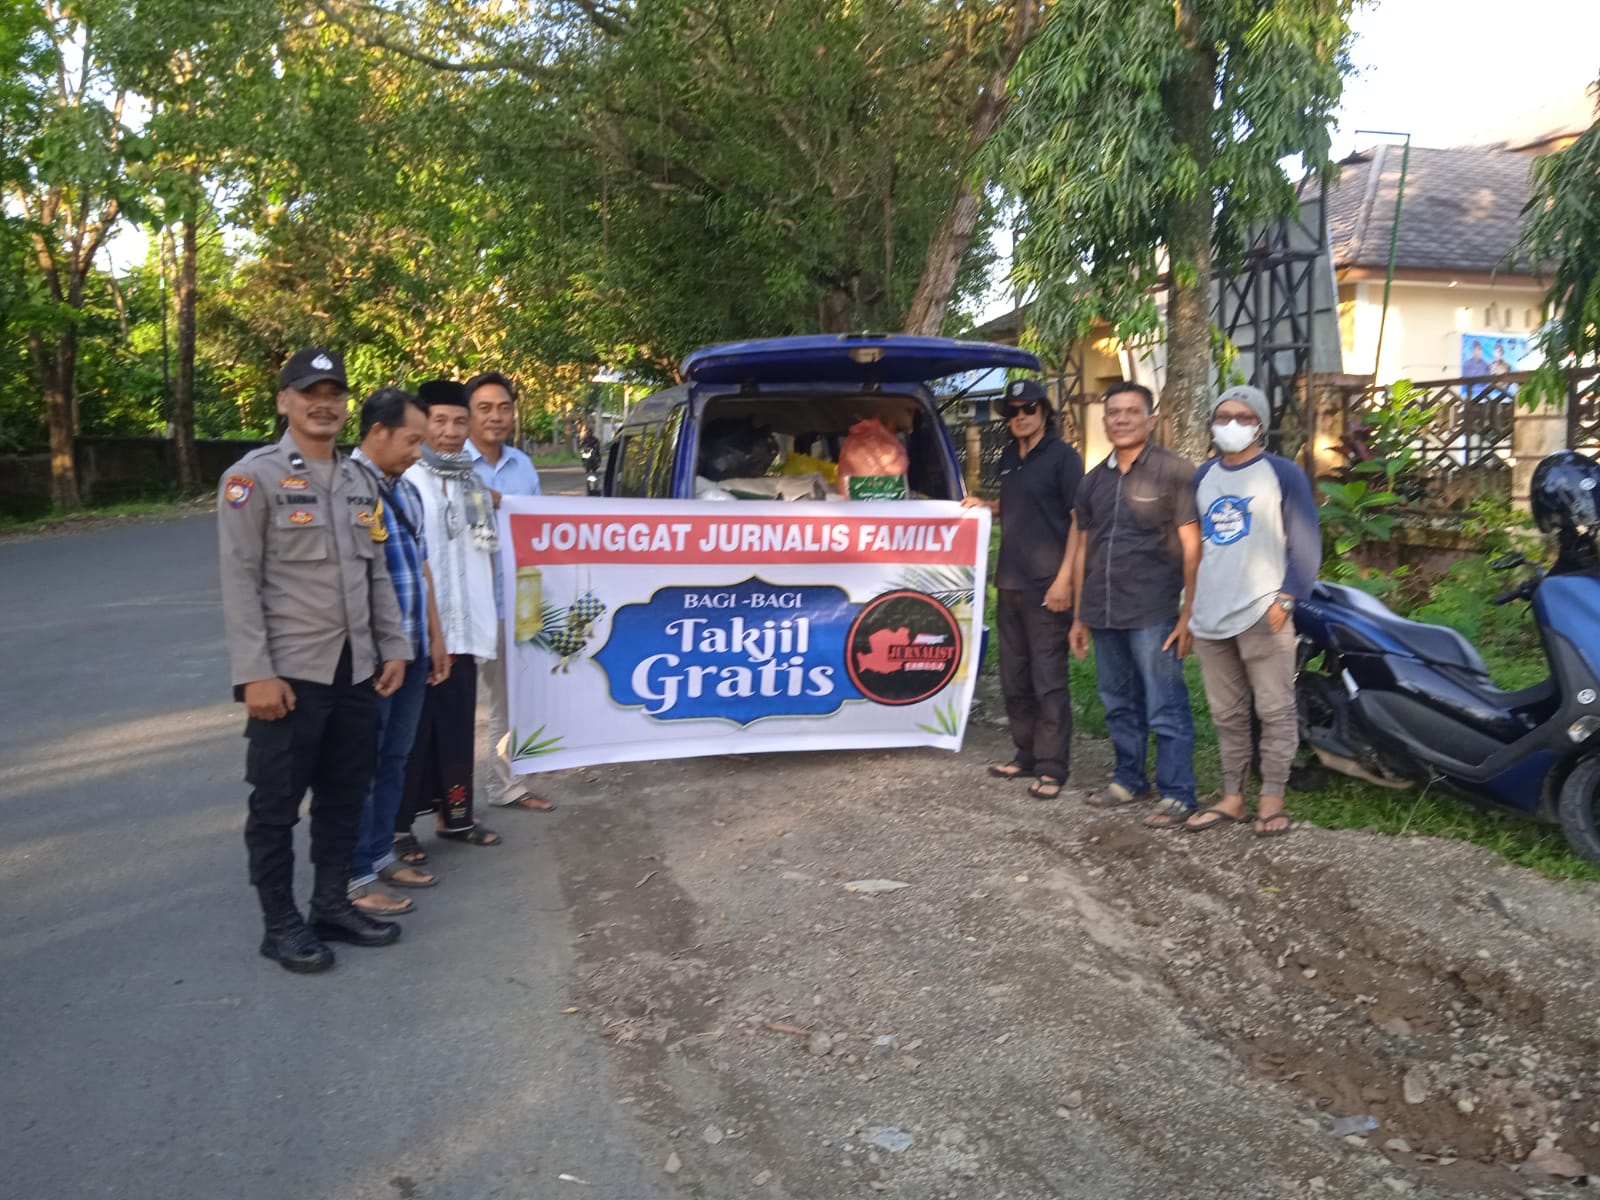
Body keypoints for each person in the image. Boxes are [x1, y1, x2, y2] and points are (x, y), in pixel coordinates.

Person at [217, 347, 410, 973]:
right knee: (276, 806)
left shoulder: (359, 482)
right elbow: (239, 580)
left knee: (344, 795)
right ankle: (280, 925)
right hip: (290, 676)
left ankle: (331, 905)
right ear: (284, 401)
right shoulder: (253, 479)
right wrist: (255, 673)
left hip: (356, 670)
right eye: (309, 393)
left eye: (334, 394)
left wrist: (394, 646)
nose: (323, 405)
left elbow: (377, 572)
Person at [1183, 385, 1320, 838]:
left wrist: (1286, 599)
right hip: (1211, 614)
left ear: (1260, 425)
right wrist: (1189, 606)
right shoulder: (1204, 476)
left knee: (1274, 708)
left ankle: (1272, 800)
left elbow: (1306, 543)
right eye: (1223, 416)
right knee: (1227, 713)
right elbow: (1193, 545)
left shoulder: (1282, 473)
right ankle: (1233, 796)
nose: (1232, 425)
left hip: (1263, 612)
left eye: (1243, 417)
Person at [1068, 381, 1201, 829]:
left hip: (1153, 612)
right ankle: (1129, 779)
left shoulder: (1174, 472)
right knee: (1117, 701)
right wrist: (1079, 616)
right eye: (1114, 412)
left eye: (1131, 411)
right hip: (1103, 610)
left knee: (1165, 703)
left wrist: (1188, 614)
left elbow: (1192, 546)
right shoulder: (1092, 482)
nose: (1121, 419)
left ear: (1151, 419)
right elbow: (1084, 549)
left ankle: (1178, 792)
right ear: (1104, 421)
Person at [346, 387, 451, 915]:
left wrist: (435, 637)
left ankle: (380, 854)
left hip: (411, 651)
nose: (418, 452)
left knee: (395, 758)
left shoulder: (406, 491)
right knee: (358, 765)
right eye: (412, 441)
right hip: (370, 658)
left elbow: (421, 567)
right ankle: (354, 877)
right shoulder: (344, 489)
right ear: (377, 433)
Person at [961, 378, 1084, 800]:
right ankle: (1026, 753)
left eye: (1029, 408)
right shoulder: (1009, 456)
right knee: (1014, 677)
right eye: (1012, 411)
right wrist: (988, 506)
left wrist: (1066, 580)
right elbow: (1021, 503)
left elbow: (1079, 521)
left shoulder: (1064, 457)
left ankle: (1052, 766)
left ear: (1044, 412)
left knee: (1048, 678)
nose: (1020, 416)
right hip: (1010, 582)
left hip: (1048, 586)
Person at [397, 379, 502, 853]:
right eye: (439, 420)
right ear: (421, 424)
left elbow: (487, 549)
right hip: (420, 632)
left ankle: (455, 817)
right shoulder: (406, 479)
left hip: (464, 628)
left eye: (460, 421)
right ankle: (398, 830)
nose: (450, 431)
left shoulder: (471, 482)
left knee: (458, 729)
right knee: (412, 734)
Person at [463, 371, 555, 814]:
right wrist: (486, 500)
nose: (496, 417)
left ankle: (508, 786)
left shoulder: (522, 466)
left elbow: (539, 531)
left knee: (512, 697)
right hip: (464, 606)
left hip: (517, 601)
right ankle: (445, 802)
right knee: (452, 704)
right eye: (485, 408)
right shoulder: (450, 466)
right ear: (468, 415)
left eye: (503, 408)